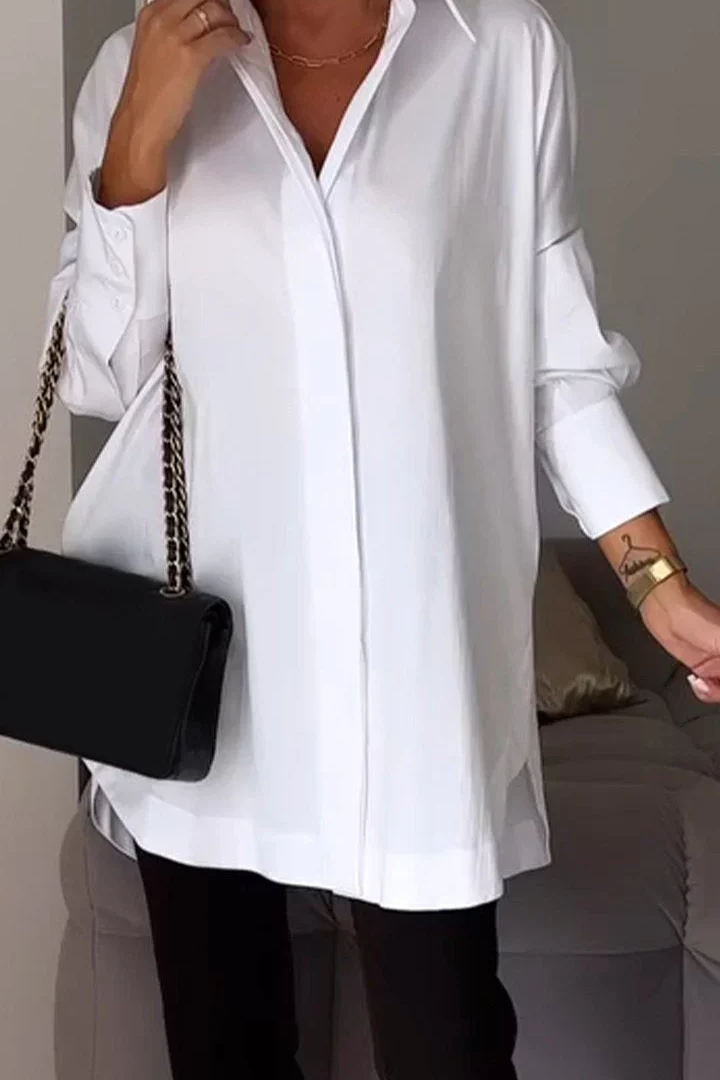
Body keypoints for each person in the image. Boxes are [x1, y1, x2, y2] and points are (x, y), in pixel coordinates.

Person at [49, 0, 720, 1076]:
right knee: (225, 1052)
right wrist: (137, 141)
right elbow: (100, 377)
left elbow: (558, 360)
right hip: (201, 671)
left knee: (449, 1044)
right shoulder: (142, 59)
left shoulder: (503, 52)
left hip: (415, 673)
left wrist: (656, 583)